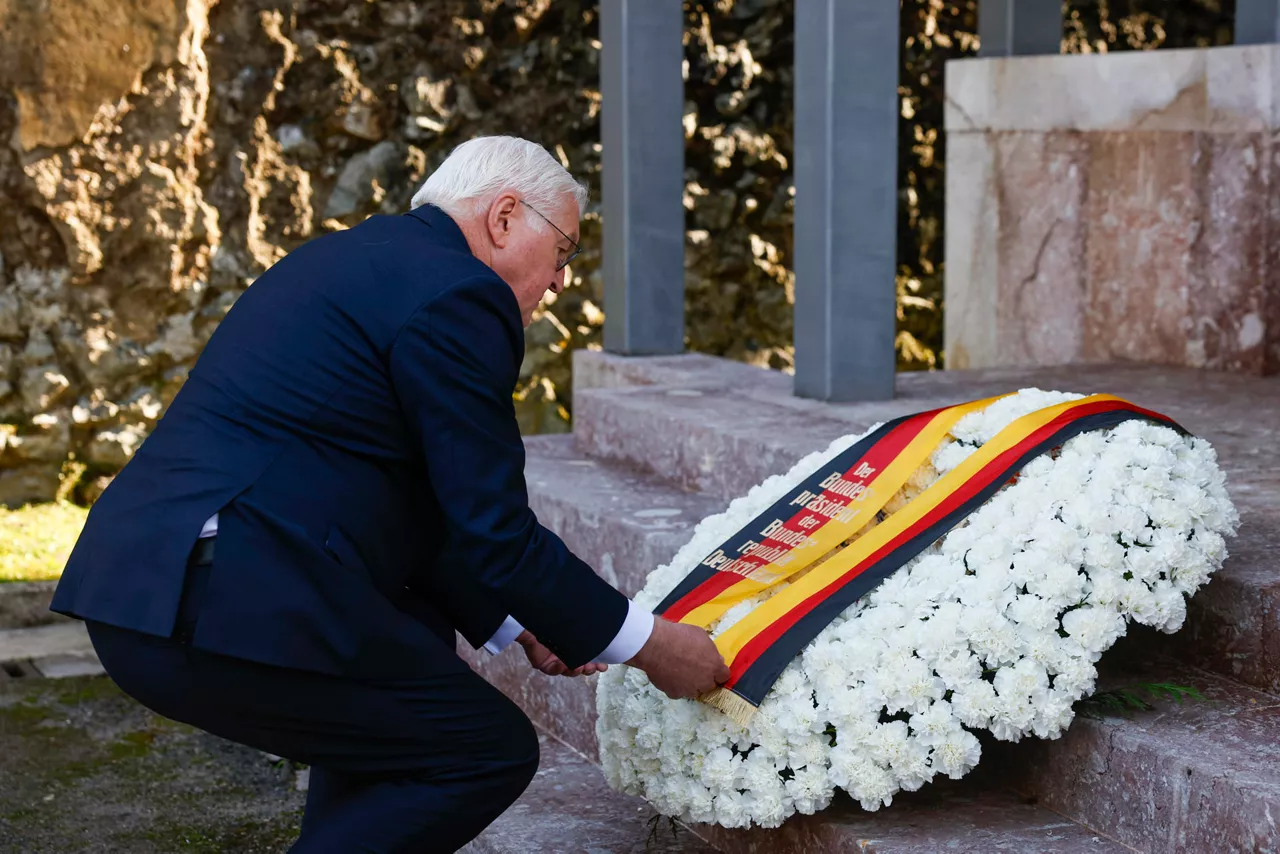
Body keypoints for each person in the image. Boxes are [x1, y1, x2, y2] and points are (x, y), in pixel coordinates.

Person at [50, 135, 730, 852]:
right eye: (562, 251)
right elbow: (497, 529)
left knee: (407, 688)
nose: (560, 281)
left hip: (151, 584)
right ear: (503, 218)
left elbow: (413, 497)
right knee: (480, 749)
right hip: (218, 595)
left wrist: (519, 621)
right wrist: (651, 645)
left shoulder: (354, 259)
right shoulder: (461, 293)